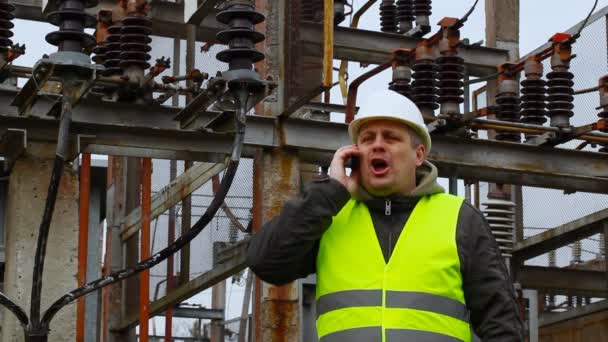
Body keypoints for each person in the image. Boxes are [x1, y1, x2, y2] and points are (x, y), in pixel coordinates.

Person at [247, 90, 524, 342]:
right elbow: (266, 263)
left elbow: (501, 323)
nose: (378, 146)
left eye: (391, 138)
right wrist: (330, 192)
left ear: (419, 155)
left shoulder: (459, 218)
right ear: (355, 154)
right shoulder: (330, 215)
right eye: (367, 139)